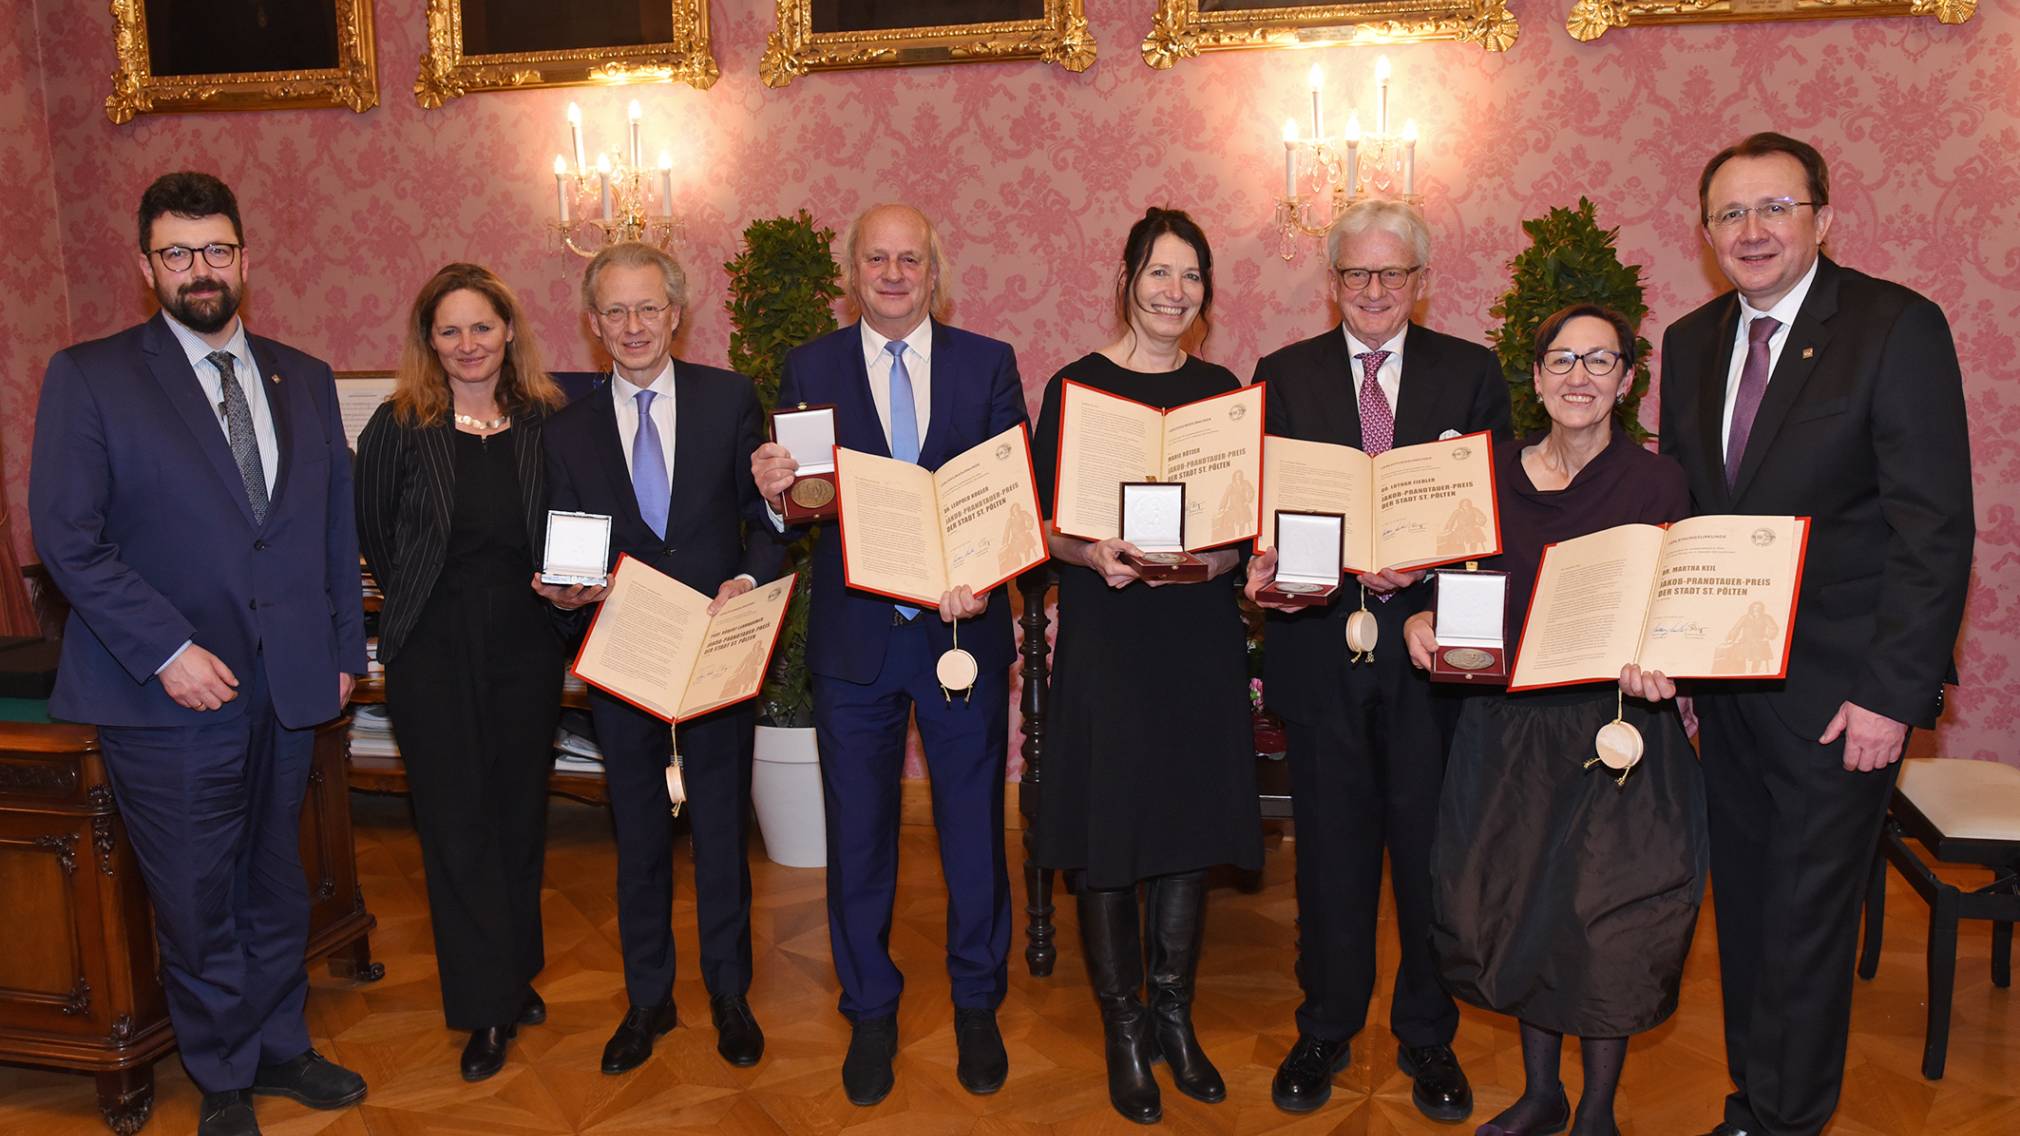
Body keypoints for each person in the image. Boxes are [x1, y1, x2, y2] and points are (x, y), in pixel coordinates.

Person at [1649, 132, 1974, 1136]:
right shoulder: (1690, 342)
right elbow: (1693, 512)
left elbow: (1933, 526)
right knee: (1745, 909)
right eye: (1729, 213)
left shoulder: (1893, 327)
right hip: (1731, 692)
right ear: (1705, 234)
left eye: (1772, 207)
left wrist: (1892, 692)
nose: (1750, 231)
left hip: (1842, 696)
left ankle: (1788, 1119)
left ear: (1822, 218)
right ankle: (1752, 1101)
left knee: (1804, 919)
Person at [29, 171, 367, 1136]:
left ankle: (281, 1047)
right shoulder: (91, 376)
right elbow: (67, 537)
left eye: (216, 249)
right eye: (177, 253)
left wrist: (343, 644)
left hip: (293, 681)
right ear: (147, 268)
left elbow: (330, 525)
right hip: (169, 694)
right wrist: (167, 647)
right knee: (195, 892)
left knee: (277, 879)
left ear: (245, 258)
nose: (200, 269)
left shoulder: (300, 375)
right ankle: (221, 1072)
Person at [750, 203, 1027, 1105]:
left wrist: (981, 576)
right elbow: (803, 505)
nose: (896, 273)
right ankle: (869, 1007)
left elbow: (1005, 493)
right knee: (859, 834)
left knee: (974, 831)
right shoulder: (812, 366)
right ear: (853, 271)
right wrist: (776, 496)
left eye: (912, 259)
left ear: (934, 271)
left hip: (961, 632)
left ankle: (977, 1001)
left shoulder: (988, 363)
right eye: (879, 258)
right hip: (856, 643)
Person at [1404, 305, 1705, 1136]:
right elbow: (1445, 583)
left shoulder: (1659, 483)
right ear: (1534, 378)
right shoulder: (1485, 474)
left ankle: (1599, 1110)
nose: (1580, 376)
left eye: (1600, 361)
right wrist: (1415, 622)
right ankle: (1543, 1094)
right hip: (1505, 735)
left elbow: (1677, 604)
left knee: (1604, 926)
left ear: (1626, 379)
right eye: (1563, 360)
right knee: (1521, 911)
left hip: (1618, 736)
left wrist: (1664, 659)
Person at [1244, 198, 1512, 1120]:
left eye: (1390, 274)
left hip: (1428, 658)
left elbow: (1493, 523)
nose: (1372, 291)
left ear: (1421, 283)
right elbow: (1260, 514)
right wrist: (1265, 566)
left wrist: (1432, 582)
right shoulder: (1279, 376)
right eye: (1354, 274)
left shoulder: (1472, 375)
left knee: (1430, 856)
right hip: (1318, 651)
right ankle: (1325, 1023)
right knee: (1327, 855)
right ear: (1331, 284)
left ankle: (1427, 1036)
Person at [1029, 207, 1261, 1124]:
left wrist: (1218, 560)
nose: (1175, 291)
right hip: (1112, 637)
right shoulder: (1076, 387)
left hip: (1196, 637)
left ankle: (1174, 1015)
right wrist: (1091, 555)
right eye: (1160, 272)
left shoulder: (1222, 388)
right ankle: (1123, 1029)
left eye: (1192, 276)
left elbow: (1243, 532)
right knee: (1111, 832)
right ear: (1128, 277)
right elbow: (1044, 524)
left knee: (1186, 830)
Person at [540, 242, 784, 1074]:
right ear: (593, 323)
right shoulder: (564, 428)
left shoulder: (729, 400)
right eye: (615, 311)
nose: (634, 326)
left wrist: (748, 576)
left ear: (677, 313)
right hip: (624, 655)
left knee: (720, 831)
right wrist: (566, 593)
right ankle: (648, 1001)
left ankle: (729, 992)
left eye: (649, 308)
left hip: (717, 650)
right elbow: (563, 546)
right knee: (638, 837)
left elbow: (769, 517)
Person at [354, 263, 568, 1082]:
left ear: (509, 331)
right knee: (456, 824)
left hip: (527, 642)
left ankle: (513, 971)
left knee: (518, 816)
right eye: (450, 330)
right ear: (428, 341)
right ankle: (484, 1006)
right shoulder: (398, 426)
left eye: (482, 326)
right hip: (432, 650)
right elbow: (376, 535)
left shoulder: (548, 421)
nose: (468, 344)